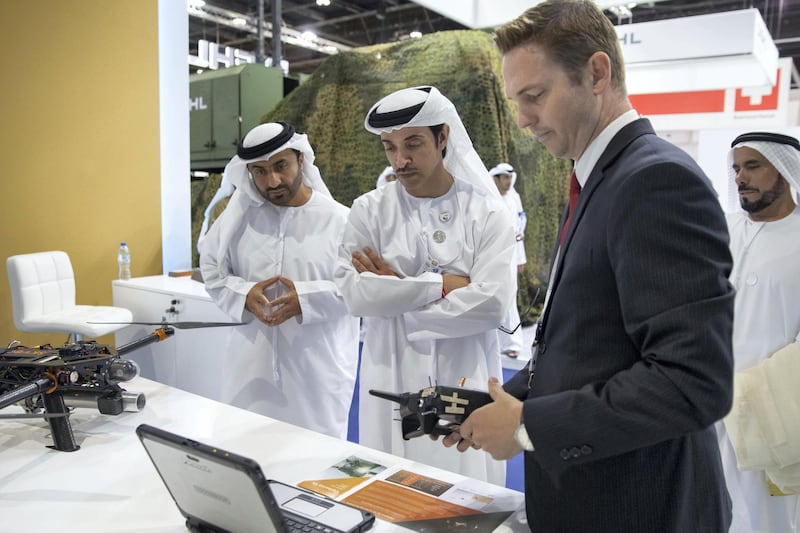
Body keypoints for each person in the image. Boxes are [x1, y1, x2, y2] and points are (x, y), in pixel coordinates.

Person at [443, 2, 736, 531]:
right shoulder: (600, 177)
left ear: (597, 73)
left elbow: (692, 381)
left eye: (534, 96)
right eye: (517, 101)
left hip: (642, 506)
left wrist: (530, 426)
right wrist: (502, 404)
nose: (524, 119)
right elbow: (591, 341)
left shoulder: (655, 182)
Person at [334, 85, 516, 485]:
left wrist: (396, 291)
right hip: (389, 369)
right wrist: (442, 285)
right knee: (388, 486)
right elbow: (354, 293)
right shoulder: (369, 210)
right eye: (389, 147)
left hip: (463, 371)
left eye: (413, 143)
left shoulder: (486, 212)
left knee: (465, 496)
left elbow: (491, 304)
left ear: (443, 137)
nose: (400, 160)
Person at [200, 121, 359, 440]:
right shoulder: (238, 220)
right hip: (248, 373)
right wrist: (243, 294)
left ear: (301, 159)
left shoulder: (340, 220)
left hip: (317, 377)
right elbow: (212, 273)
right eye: (259, 171)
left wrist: (306, 299)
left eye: (280, 166)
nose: (271, 180)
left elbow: (360, 288)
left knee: (314, 467)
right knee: (244, 456)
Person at [718, 131, 800, 533]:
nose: (740, 178)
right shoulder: (720, 230)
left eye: (753, 166)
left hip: (776, 415)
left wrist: (760, 388)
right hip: (710, 406)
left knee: (769, 521)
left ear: (784, 170)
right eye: (736, 168)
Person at [489, 163, 527, 358]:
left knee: (510, 297)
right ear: (495, 179)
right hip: (492, 255)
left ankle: (512, 344)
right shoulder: (488, 198)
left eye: (510, 178)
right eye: (504, 178)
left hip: (511, 255)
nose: (508, 182)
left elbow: (520, 226)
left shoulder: (514, 198)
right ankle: (494, 343)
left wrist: (521, 258)